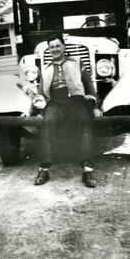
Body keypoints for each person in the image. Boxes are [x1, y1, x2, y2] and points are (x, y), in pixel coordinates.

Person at [34, 34, 101, 188]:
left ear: (63, 46)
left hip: (76, 101)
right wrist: (36, 109)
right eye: (52, 47)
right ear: (49, 49)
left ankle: (87, 169)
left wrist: (95, 107)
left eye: (58, 46)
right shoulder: (46, 68)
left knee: (83, 120)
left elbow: (89, 85)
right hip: (55, 103)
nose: (55, 49)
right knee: (47, 121)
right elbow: (40, 93)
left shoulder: (77, 62)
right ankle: (44, 169)